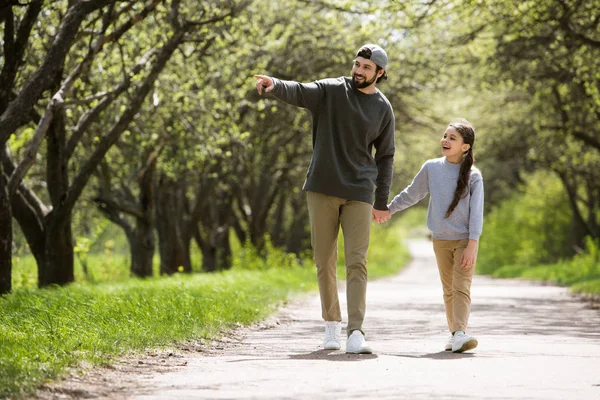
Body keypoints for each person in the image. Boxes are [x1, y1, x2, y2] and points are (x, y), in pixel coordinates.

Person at [254, 44, 395, 354]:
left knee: (357, 262)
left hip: (359, 192)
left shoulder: (383, 109)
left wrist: (382, 200)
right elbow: (301, 91)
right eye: (357, 64)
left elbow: (385, 157)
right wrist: (275, 84)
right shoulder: (332, 90)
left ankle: (356, 332)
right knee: (324, 260)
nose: (359, 70)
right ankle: (331, 324)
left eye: (366, 67)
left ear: (380, 73)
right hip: (322, 187)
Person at [383, 119, 483, 353]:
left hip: (464, 240)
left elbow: (477, 214)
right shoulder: (432, 168)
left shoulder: (474, 176)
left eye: (452, 138)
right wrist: (389, 209)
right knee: (448, 289)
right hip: (440, 239)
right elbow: (412, 194)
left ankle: (460, 333)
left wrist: (472, 244)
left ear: (465, 147)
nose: (445, 140)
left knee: (461, 287)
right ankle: (455, 335)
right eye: (445, 136)